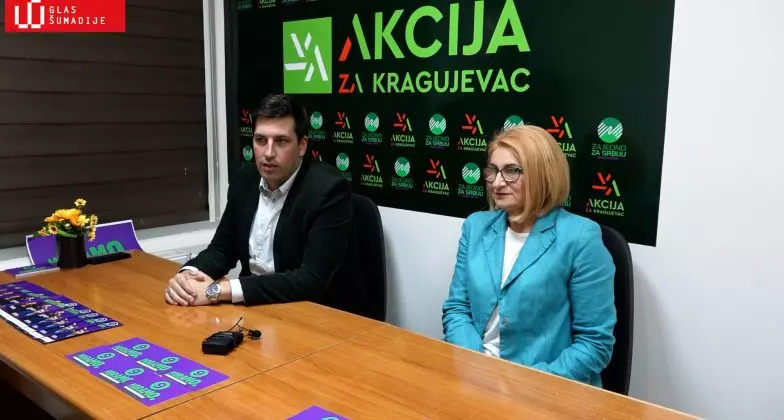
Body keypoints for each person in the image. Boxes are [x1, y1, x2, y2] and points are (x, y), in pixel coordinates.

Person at [441, 125, 617, 387]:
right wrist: (476, 367)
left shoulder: (580, 237)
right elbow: (457, 309)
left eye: (512, 171)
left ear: (542, 175)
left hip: (541, 386)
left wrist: (521, 385)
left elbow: (594, 344)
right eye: (493, 170)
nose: (497, 182)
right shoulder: (475, 227)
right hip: (472, 375)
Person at [164, 93, 356, 309]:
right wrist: (187, 276)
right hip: (253, 306)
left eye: (281, 141)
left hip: (306, 311)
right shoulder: (244, 180)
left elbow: (310, 280)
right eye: (261, 140)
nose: (269, 152)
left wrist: (218, 291)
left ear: (302, 146)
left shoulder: (328, 190)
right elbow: (222, 250)